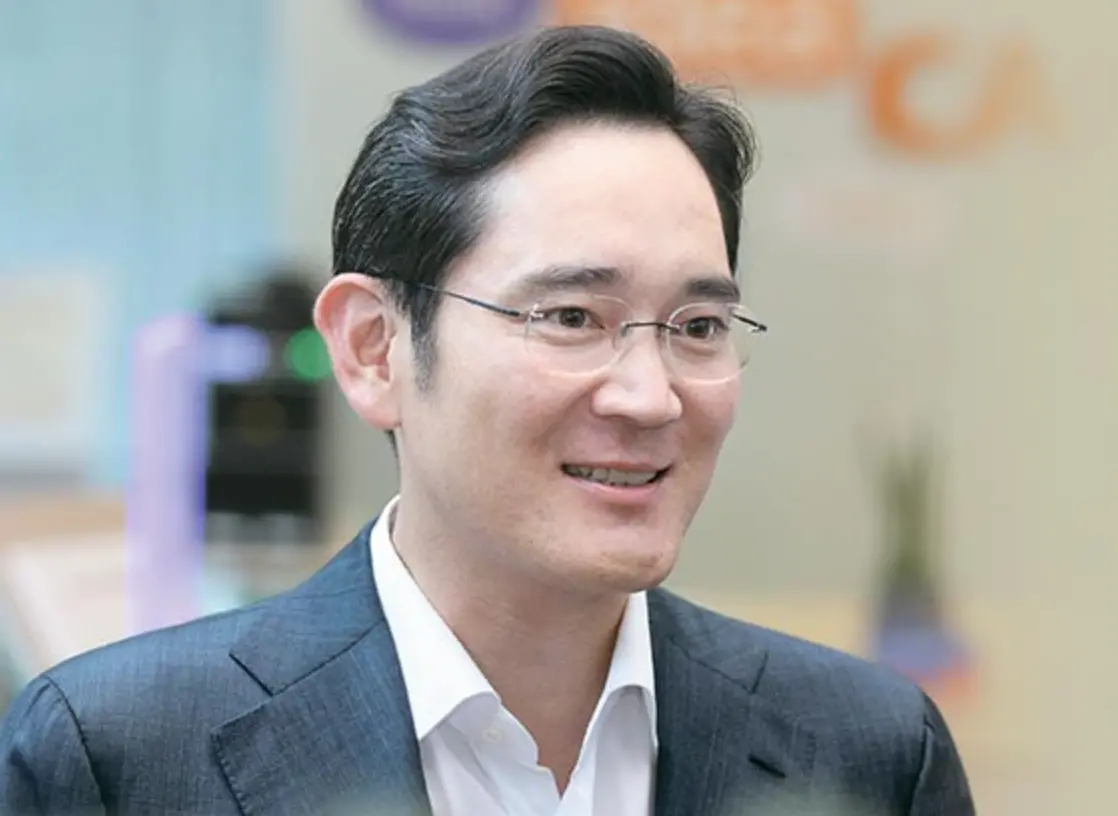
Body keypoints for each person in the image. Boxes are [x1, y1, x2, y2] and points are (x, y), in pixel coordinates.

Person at [0, 25, 973, 816]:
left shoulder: (867, 754)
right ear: (373, 349)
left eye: (698, 327)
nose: (648, 396)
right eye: (570, 318)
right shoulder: (118, 758)